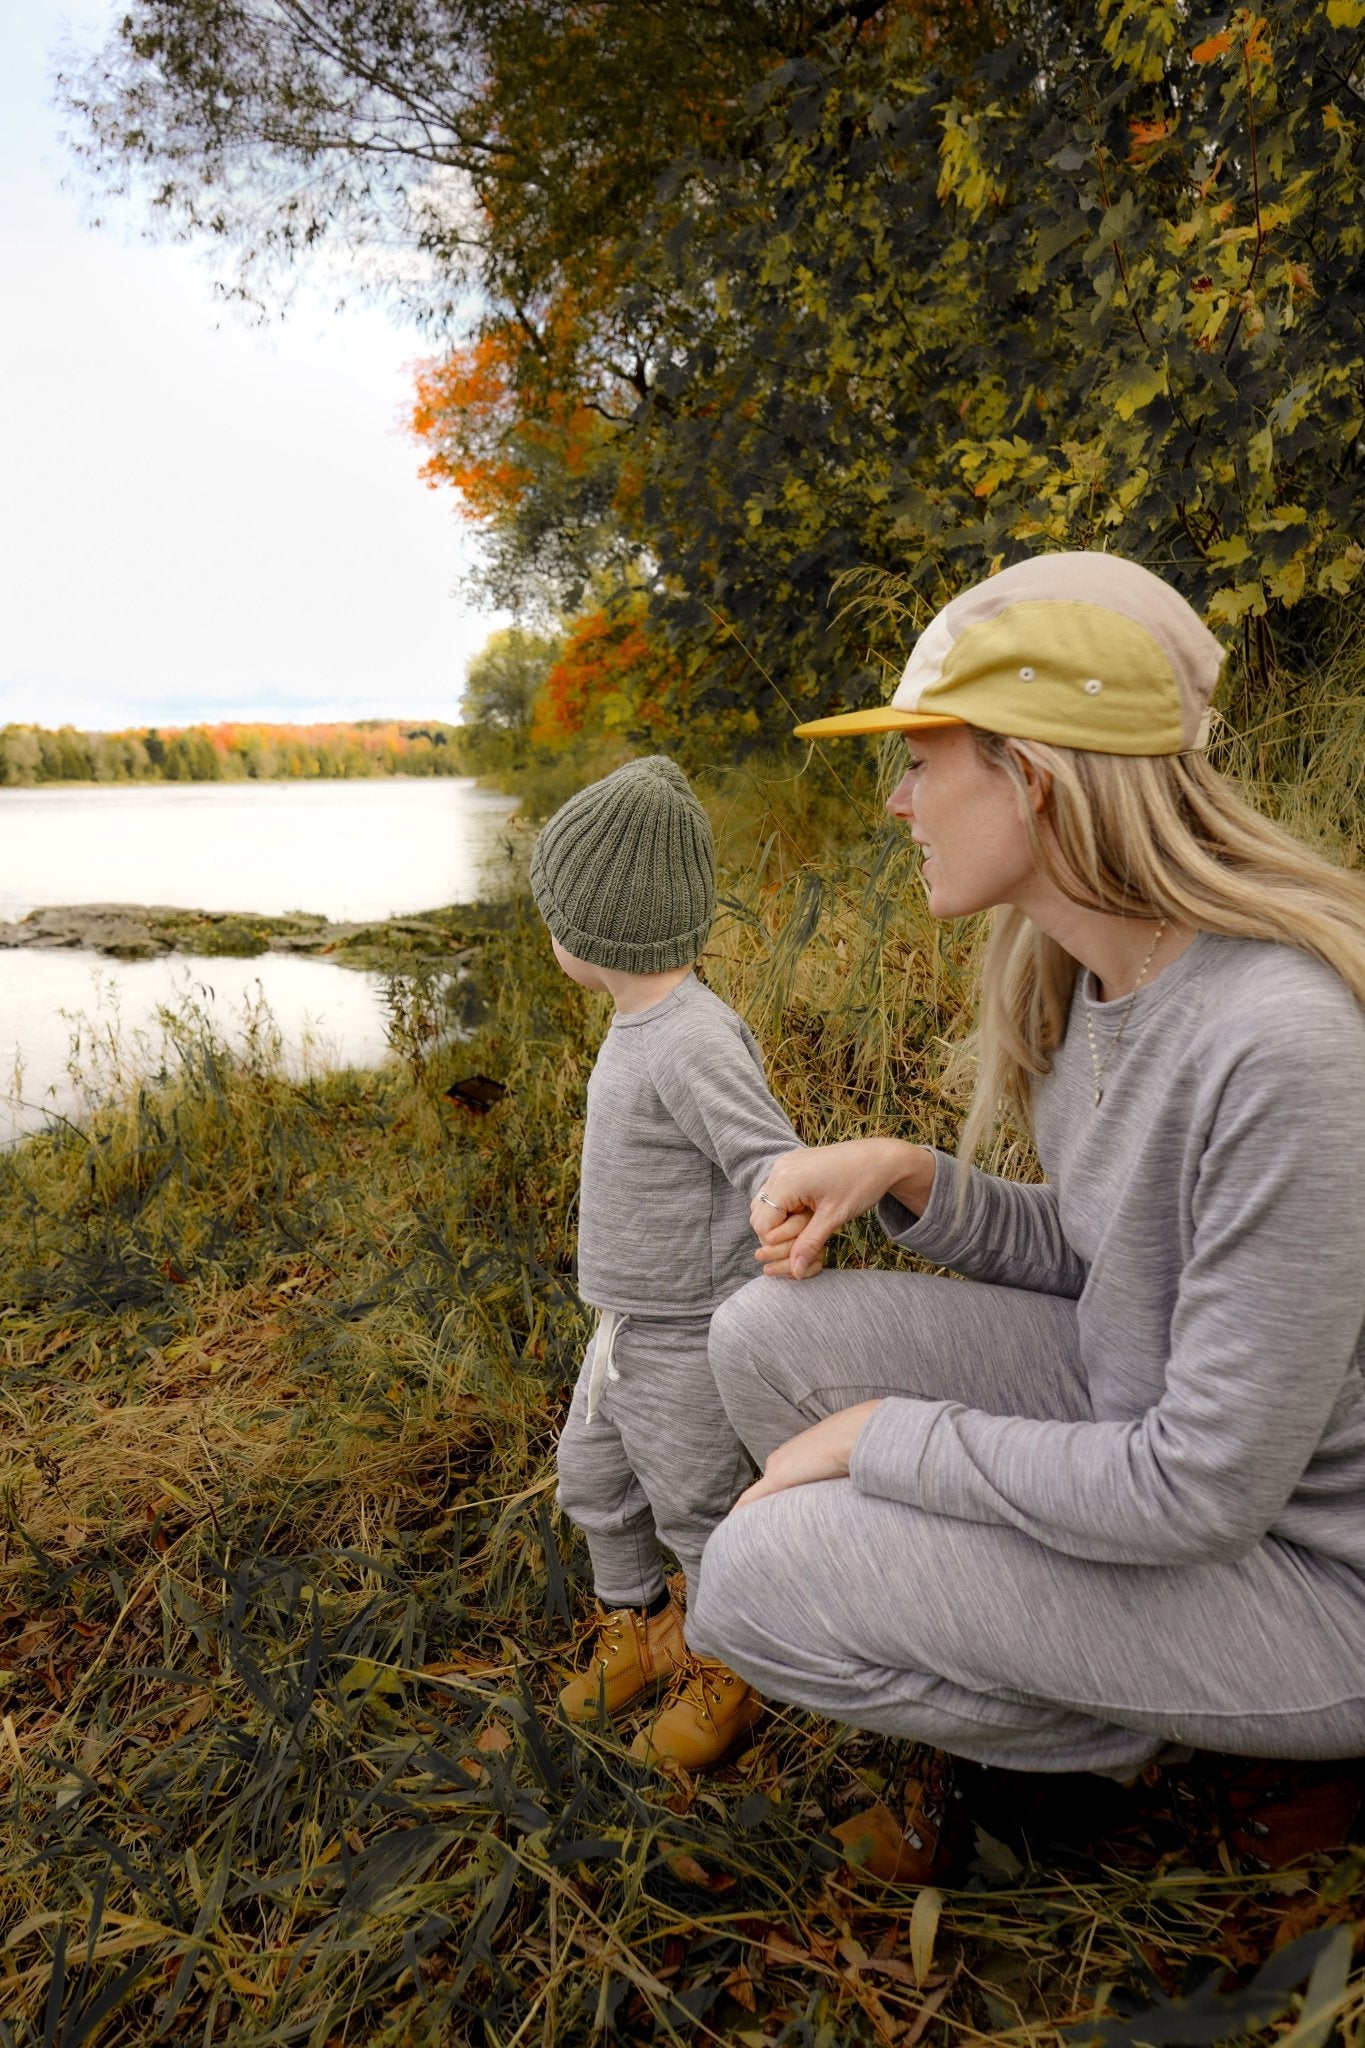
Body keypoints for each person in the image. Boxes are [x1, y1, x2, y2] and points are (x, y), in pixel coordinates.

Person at [686, 551, 1365, 1873]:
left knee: (756, 1580)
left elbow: (1199, 1490)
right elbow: (1117, 1256)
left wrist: (883, 1440)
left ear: (1030, 774)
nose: (895, 803)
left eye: (920, 761)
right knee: (757, 1338)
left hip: (1313, 1580)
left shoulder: (1278, 1042)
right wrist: (907, 1174)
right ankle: (1081, 1711)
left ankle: (1107, 1772)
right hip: (1154, 1442)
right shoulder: (1099, 974)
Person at [531, 754, 809, 1770]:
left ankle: (727, 1664)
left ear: (598, 928)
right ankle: (638, 1625)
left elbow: (767, 1151)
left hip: (690, 1326)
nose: (550, 930)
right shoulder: (635, 1020)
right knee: (595, 1475)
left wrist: (788, 1220)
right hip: (626, 1323)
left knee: (694, 1497)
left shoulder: (690, 1037)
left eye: (557, 912)